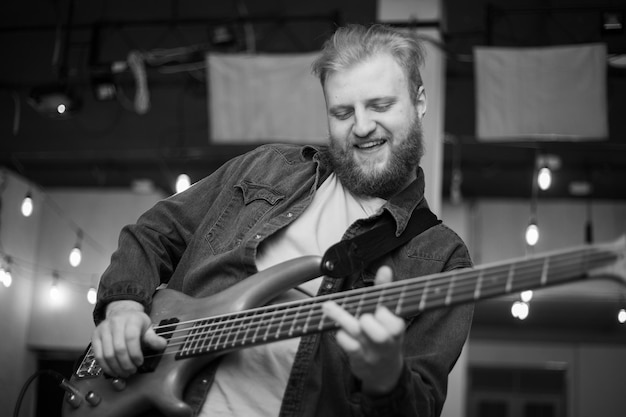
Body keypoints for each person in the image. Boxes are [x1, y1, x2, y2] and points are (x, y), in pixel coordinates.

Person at [91, 23, 474, 417]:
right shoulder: (266, 167)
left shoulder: (442, 259)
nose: (361, 127)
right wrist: (123, 305)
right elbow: (153, 231)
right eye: (342, 112)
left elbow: (419, 407)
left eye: (379, 105)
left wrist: (387, 379)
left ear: (420, 101)